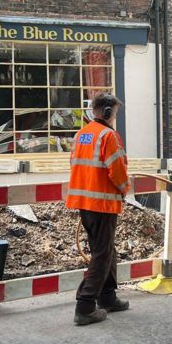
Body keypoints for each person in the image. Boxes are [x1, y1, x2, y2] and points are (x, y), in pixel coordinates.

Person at [66, 93, 131, 326]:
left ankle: (107, 297)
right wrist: (125, 190)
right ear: (107, 112)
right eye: (115, 113)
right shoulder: (108, 135)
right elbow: (117, 171)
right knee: (102, 255)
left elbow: (76, 165)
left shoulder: (81, 135)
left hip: (84, 202)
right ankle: (84, 306)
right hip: (102, 203)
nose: (115, 117)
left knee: (105, 250)